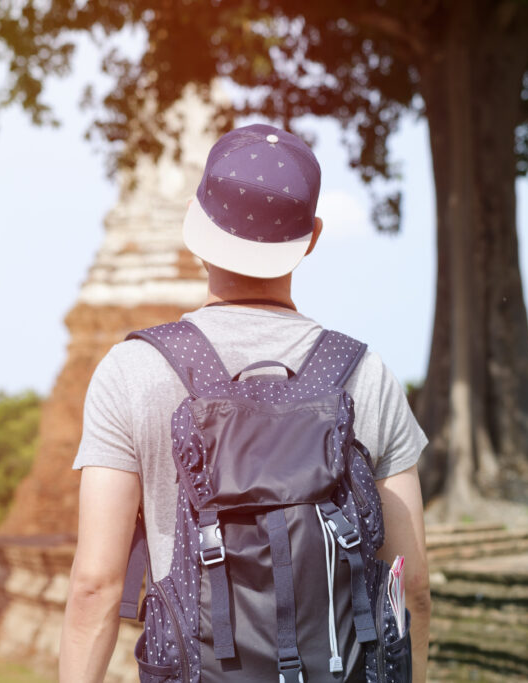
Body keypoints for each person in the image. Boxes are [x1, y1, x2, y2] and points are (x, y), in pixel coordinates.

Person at [59, 123, 432, 683]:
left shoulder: (134, 371)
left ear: (195, 223)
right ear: (312, 237)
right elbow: (411, 586)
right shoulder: (366, 376)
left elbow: (95, 585)